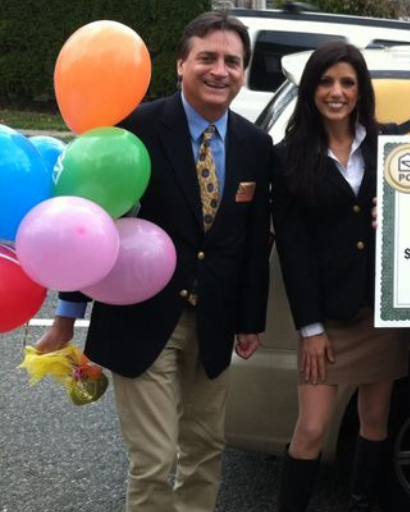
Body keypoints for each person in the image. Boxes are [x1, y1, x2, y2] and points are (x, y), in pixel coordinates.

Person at [33, 10, 272, 512]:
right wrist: (66, 316)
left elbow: (251, 242)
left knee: (206, 449)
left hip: (215, 320)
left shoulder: (256, 144)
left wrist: (250, 320)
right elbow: (90, 222)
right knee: (154, 457)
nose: (219, 70)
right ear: (181, 64)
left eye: (232, 61)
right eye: (207, 57)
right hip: (142, 319)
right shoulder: (133, 129)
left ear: (244, 72)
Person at [271, 41, 408, 512]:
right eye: (327, 81)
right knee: (311, 429)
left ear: (360, 90)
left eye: (347, 82)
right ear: (312, 89)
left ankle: (361, 503)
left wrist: (397, 215)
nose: (337, 92)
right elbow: (293, 250)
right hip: (326, 317)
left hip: (379, 311)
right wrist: (309, 328)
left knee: (375, 421)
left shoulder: (390, 145)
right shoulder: (288, 157)